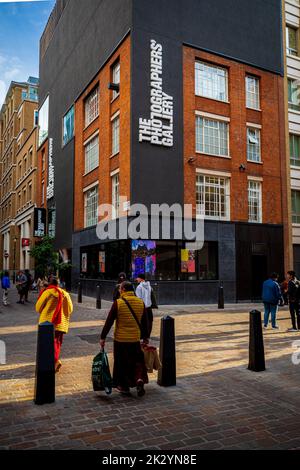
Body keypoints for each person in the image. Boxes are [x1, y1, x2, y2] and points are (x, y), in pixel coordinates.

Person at [100, 281, 149, 397]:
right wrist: (145, 337)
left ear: (123, 290)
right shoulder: (140, 302)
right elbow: (145, 322)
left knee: (121, 363)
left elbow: (109, 321)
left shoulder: (118, 303)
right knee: (136, 361)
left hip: (121, 340)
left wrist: (103, 337)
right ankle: (138, 379)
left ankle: (124, 387)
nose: (119, 291)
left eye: (119, 289)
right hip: (135, 339)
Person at [35, 276, 73, 372]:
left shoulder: (47, 292)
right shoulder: (65, 294)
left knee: (47, 344)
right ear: (59, 284)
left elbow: (38, 307)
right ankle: (52, 361)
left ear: (50, 283)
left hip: (47, 323)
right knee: (57, 343)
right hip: (60, 323)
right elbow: (70, 309)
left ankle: (55, 361)